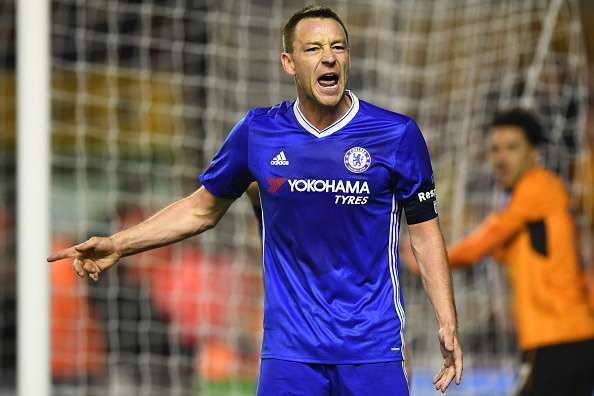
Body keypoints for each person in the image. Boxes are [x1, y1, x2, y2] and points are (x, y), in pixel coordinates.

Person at [48, 6, 462, 395]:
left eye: (338, 47)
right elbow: (201, 209)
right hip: (290, 350)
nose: (329, 58)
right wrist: (119, 244)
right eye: (314, 48)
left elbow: (424, 236)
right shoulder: (258, 132)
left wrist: (447, 321)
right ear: (289, 63)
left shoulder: (396, 135)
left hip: (372, 345)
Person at [446, 109, 594, 396]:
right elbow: (500, 249)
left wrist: (429, 258)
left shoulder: (537, 187)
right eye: (495, 149)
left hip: (558, 339)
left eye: (512, 147)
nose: (501, 158)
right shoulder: (533, 209)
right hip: (566, 340)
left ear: (535, 153)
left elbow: (480, 245)